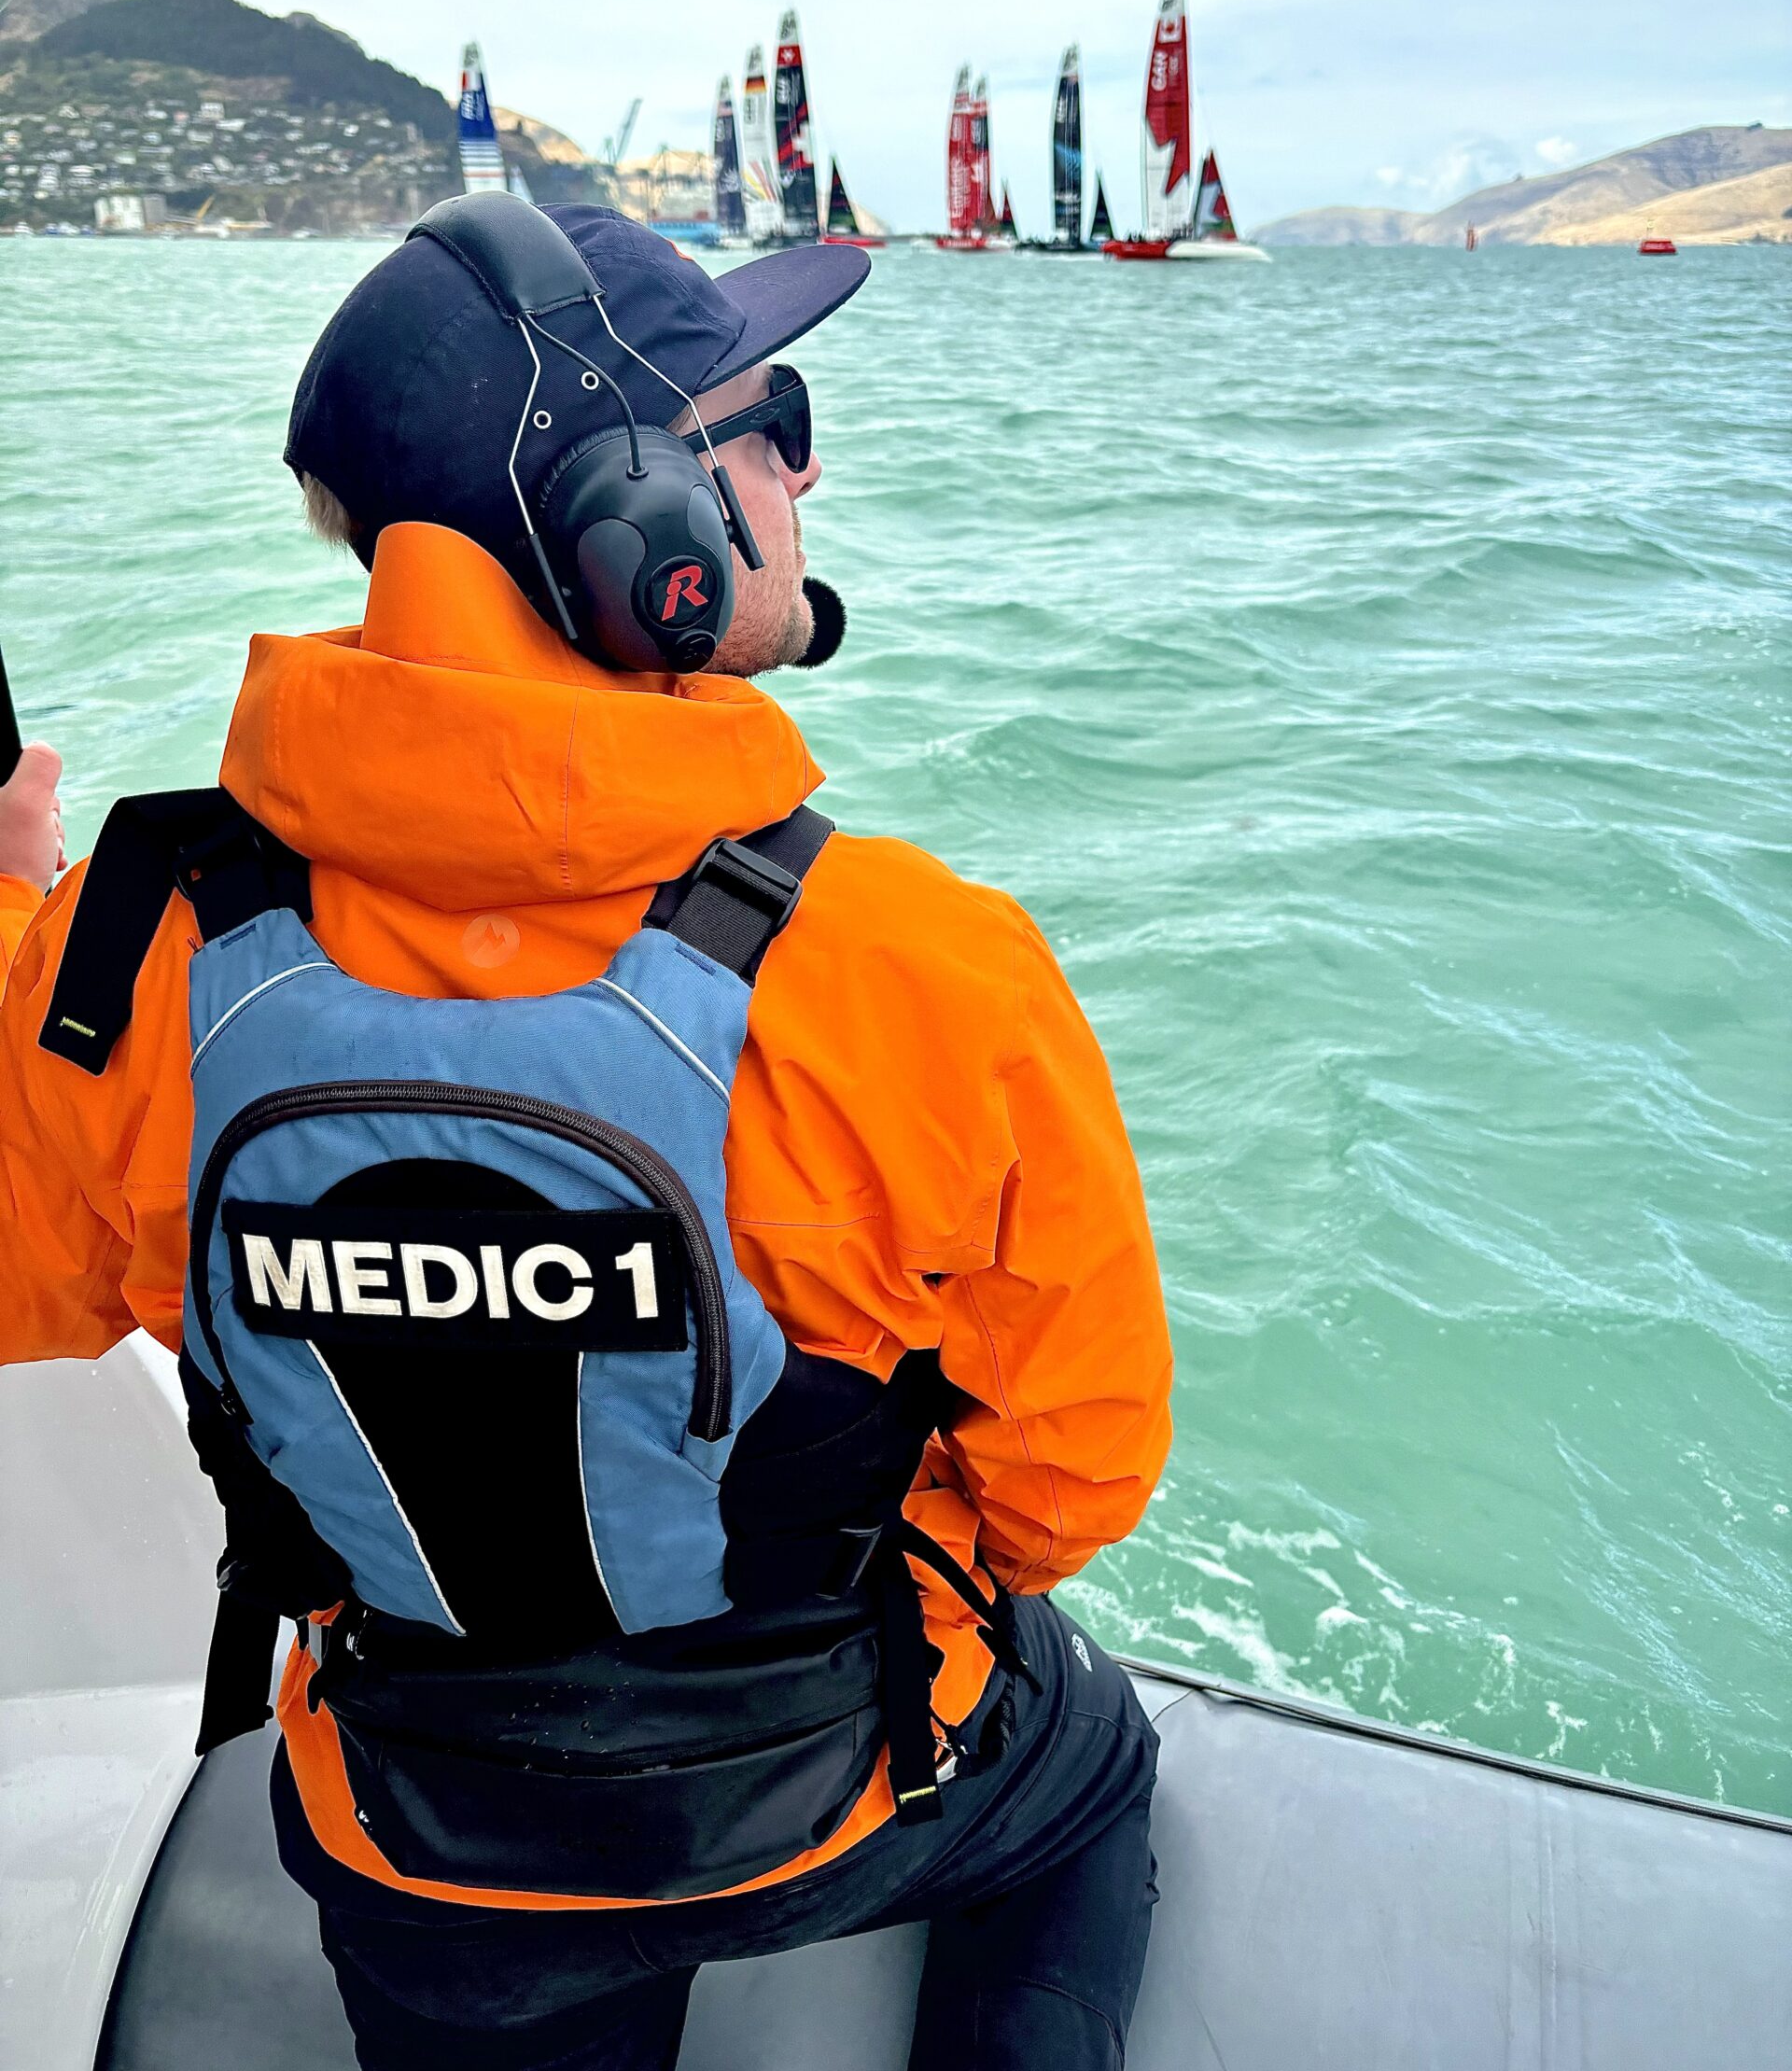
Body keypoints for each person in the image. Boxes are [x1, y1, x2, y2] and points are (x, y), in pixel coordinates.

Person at [0, 203, 1172, 2070]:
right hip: (821, 1786)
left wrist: (13, 922)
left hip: (425, 1831)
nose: (803, 464)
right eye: (769, 418)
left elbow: (23, 1282)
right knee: (1095, 1774)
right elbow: (1067, 1489)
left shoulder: (122, 960)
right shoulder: (921, 970)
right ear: (645, 530)